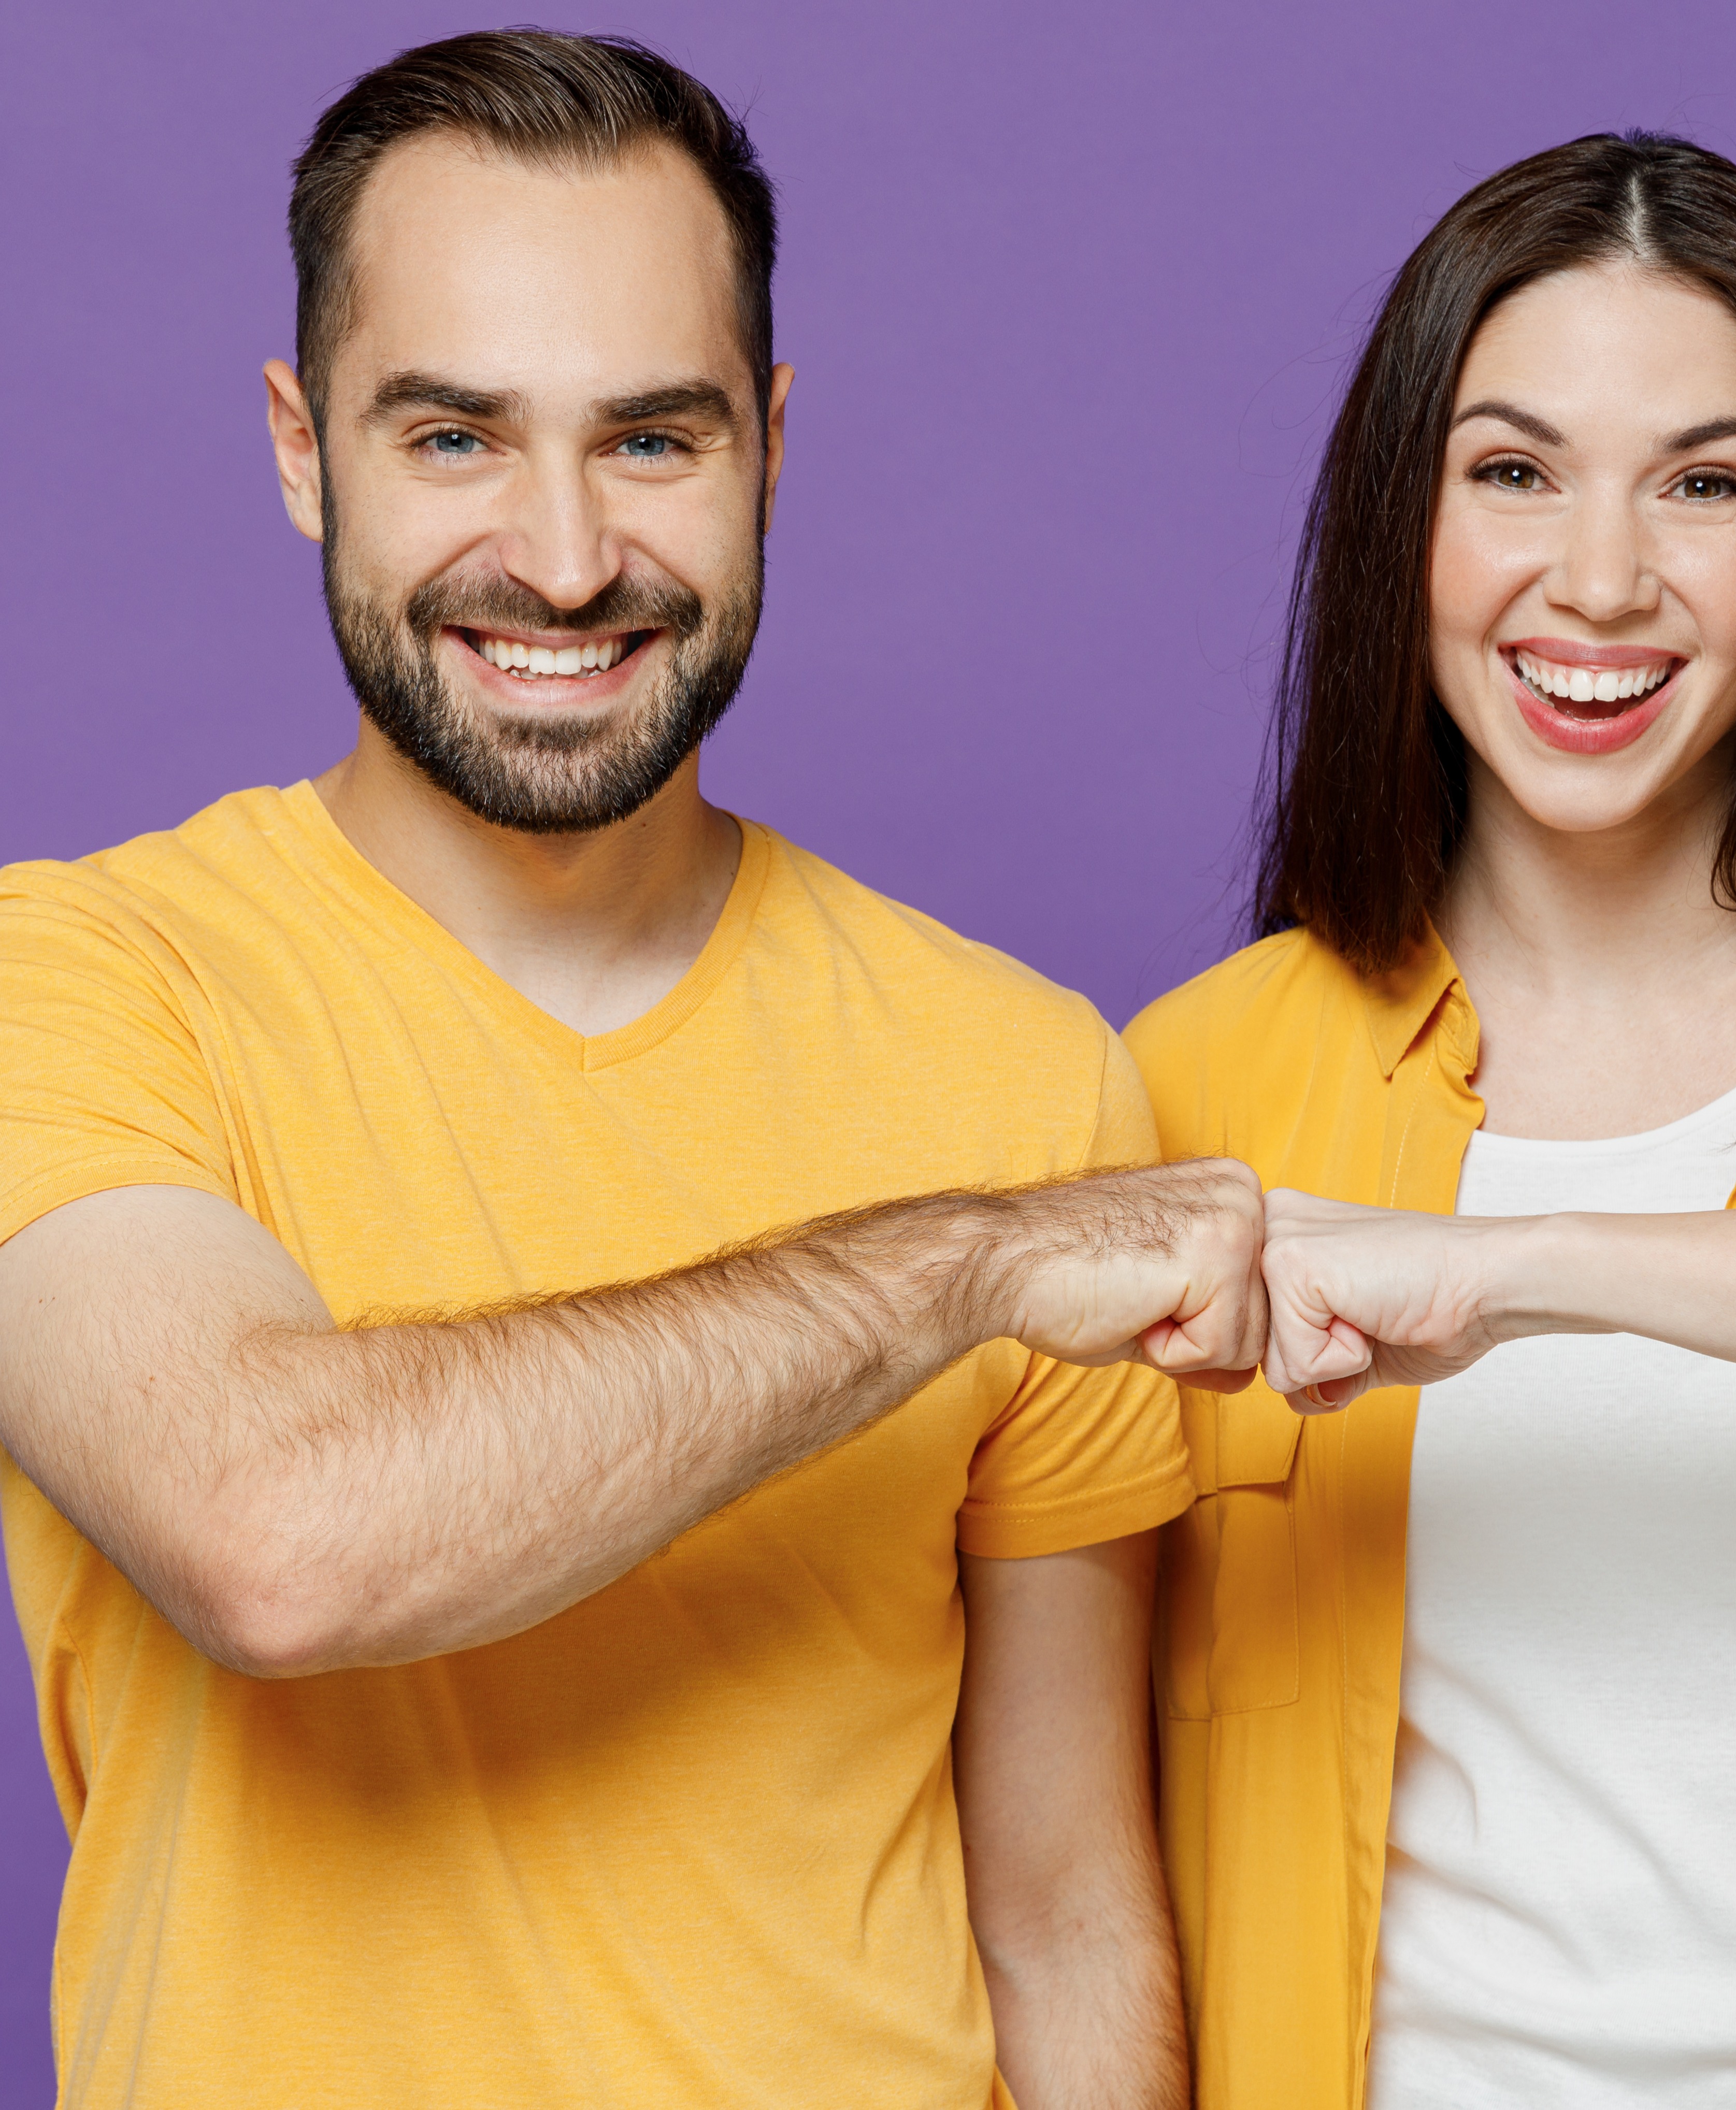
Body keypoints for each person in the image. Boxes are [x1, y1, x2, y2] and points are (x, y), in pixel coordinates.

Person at [0, 32, 1268, 2109]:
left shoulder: (1026, 1076)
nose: (568, 556)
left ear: (767, 443)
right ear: (303, 446)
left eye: (654, 441)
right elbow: (276, 1534)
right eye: (456, 438)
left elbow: (1058, 1907)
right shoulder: (76, 982)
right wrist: (948, 1264)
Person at [1125, 132, 1736, 2109]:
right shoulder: (1191, 1080)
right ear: (1401, 521)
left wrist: (1539, 1266)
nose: (1596, 579)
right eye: (1511, 472)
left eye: (1704, 485)